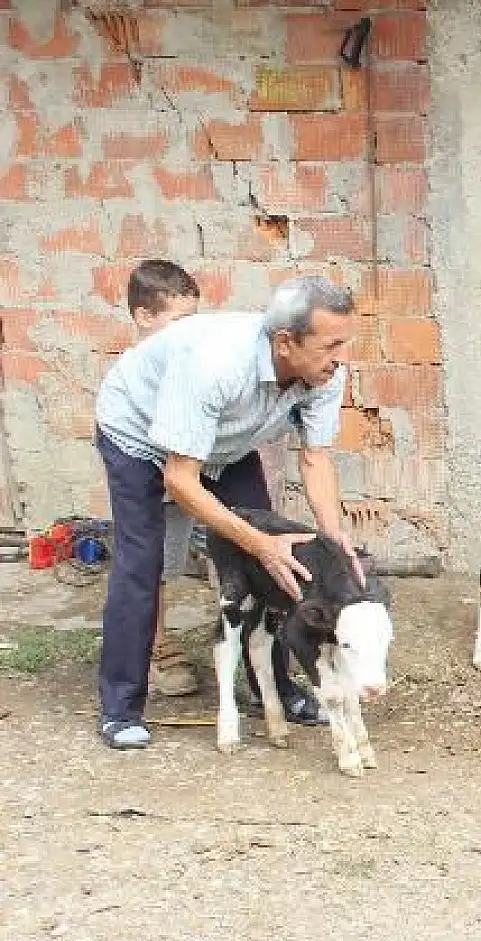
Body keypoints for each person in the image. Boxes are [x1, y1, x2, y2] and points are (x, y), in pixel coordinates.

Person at [92, 276, 366, 749]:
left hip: (226, 441)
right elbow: (180, 479)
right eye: (331, 345)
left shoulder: (323, 369)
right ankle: (121, 708)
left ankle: (274, 689)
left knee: (273, 562)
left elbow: (316, 456)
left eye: (345, 343)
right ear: (285, 343)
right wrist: (257, 542)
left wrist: (331, 538)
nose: (341, 357)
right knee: (143, 562)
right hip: (137, 435)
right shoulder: (217, 364)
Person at [122, 260, 204, 698]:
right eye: (179, 321)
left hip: (189, 470)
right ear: (144, 317)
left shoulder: (189, 360)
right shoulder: (136, 369)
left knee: (174, 557)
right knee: (151, 562)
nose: (189, 332)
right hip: (147, 471)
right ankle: (155, 645)